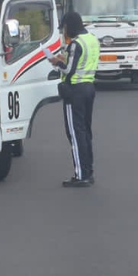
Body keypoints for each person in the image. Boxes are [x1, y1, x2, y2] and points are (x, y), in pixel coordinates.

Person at [47, 11, 99, 187]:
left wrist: (57, 62)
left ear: (70, 25)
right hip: (89, 88)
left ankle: (80, 175)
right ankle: (88, 171)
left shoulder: (76, 44)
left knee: (75, 134)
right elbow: (83, 62)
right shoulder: (92, 39)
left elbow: (69, 70)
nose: (64, 30)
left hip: (75, 90)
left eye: (65, 27)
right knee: (85, 131)